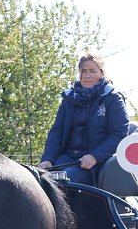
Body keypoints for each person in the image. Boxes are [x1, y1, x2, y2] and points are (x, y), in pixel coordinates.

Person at [38, 54, 129, 185]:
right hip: (67, 158)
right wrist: (48, 159)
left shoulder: (113, 98)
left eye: (93, 71)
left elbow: (119, 134)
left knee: (64, 181)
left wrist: (95, 156)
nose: (87, 75)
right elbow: (56, 133)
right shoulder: (68, 99)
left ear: (102, 73)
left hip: (97, 162)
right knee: (41, 181)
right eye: (84, 71)